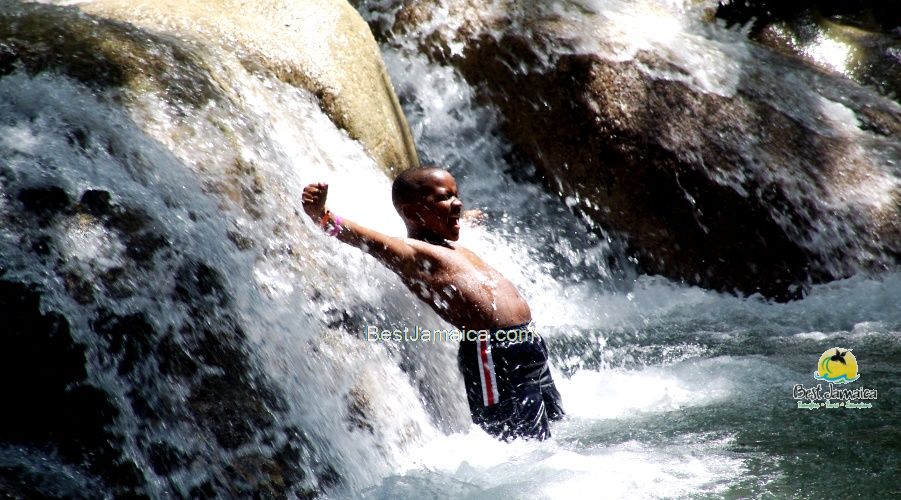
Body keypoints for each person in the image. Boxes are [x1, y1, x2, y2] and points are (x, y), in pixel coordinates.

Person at [302, 166, 563, 440]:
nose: (458, 203)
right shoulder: (411, 252)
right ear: (413, 213)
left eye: (456, 195)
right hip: (492, 353)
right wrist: (323, 216)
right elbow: (366, 239)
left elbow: (453, 221)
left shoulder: (447, 244)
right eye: (445, 198)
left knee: (556, 428)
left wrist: (465, 218)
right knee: (516, 442)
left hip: (528, 343)